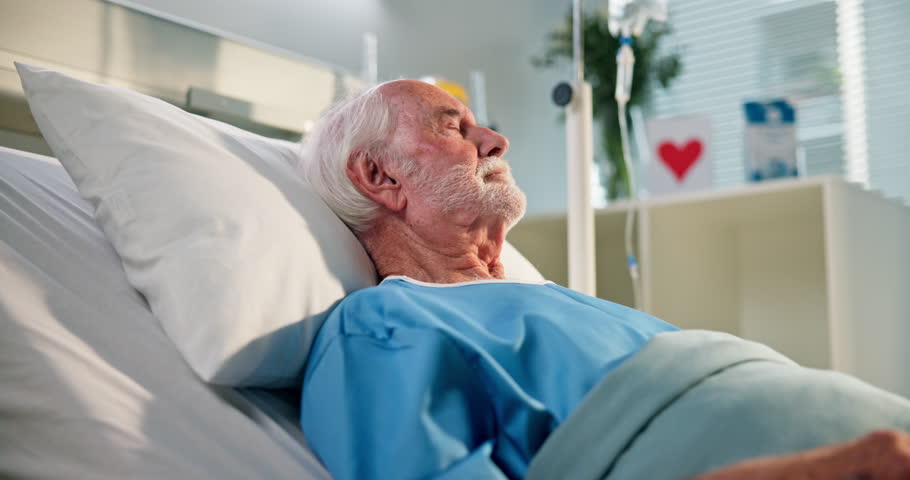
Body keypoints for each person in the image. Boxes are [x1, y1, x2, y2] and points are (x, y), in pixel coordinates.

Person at [296, 79, 910, 479]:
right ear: (379, 176)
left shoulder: (550, 301)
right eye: (453, 126)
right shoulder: (381, 326)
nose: (495, 140)